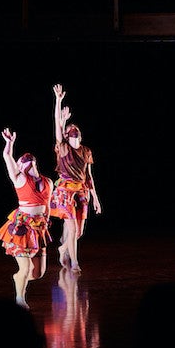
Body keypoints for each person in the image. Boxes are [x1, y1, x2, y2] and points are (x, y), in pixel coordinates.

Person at [0, 128, 54, 309]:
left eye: (25, 162)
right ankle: (20, 299)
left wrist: (46, 224)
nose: (22, 164)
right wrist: (9, 144)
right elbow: (7, 158)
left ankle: (19, 278)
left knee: (38, 273)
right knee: (26, 268)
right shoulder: (20, 179)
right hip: (23, 227)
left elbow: (48, 206)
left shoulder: (48, 182)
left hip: (39, 228)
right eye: (20, 163)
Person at [50, 84, 102, 274]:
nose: (74, 131)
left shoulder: (86, 150)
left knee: (78, 232)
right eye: (71, 130)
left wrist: (96, 198)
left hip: (81, 190)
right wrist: (58, 100)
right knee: (71, 228)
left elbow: (89, 176)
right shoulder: (64, 148)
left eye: (76, 130)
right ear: (67, 136)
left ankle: (63, 249)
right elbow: (57, 123)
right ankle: (74, 262)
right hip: (65, 191)